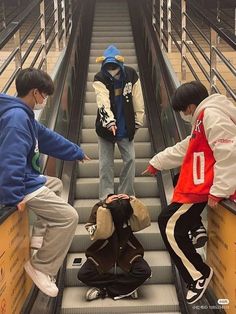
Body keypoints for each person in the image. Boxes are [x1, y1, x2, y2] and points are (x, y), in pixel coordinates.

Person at [143, 81, 236, 304]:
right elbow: (184, 148)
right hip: (201, 184)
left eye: (183, 110)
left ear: (190, 106)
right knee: (172, 212)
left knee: (169, 224)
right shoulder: (204, 119)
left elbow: (229, 151)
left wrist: (219, 189)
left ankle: (198, 275)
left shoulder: (211, 115)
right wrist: (157, 162)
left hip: (204, 186)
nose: (184, 115)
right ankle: (196, 229)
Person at [0, 68, 90, 297]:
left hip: (27, 178)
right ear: (35, 92)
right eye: (44, 95)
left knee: (55, 183)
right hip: (20, 183)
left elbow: (48, 138)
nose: (45, 100)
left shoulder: (24, 114)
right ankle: (41, 266)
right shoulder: (16, 119)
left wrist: (76, 152)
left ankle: (39, 237)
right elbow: (11, 158)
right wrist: (13, 196)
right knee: (69, 217)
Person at [93, 45, 145, 200]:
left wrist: (138, 121)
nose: (111, 70)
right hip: (105, 128)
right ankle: (106, 195)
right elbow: (102, 101)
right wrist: (109, 121)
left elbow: (138, 98)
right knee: (105, 164)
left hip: (126, 125)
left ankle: (126, 193)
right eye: (108, 66)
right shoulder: (99, 78)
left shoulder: (131, 75)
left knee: (130, 159)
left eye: (114, 66)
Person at [78, 194, 151, 301]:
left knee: (144, 271)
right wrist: (104, 207)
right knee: (83, 274)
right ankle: (127, 288)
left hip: (127, 250)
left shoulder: (126, 211)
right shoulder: (99, 210)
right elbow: (98, 231)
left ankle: (104, 290)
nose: (117, 198)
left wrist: (131, 201)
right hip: (102, 252)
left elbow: (143, 221)